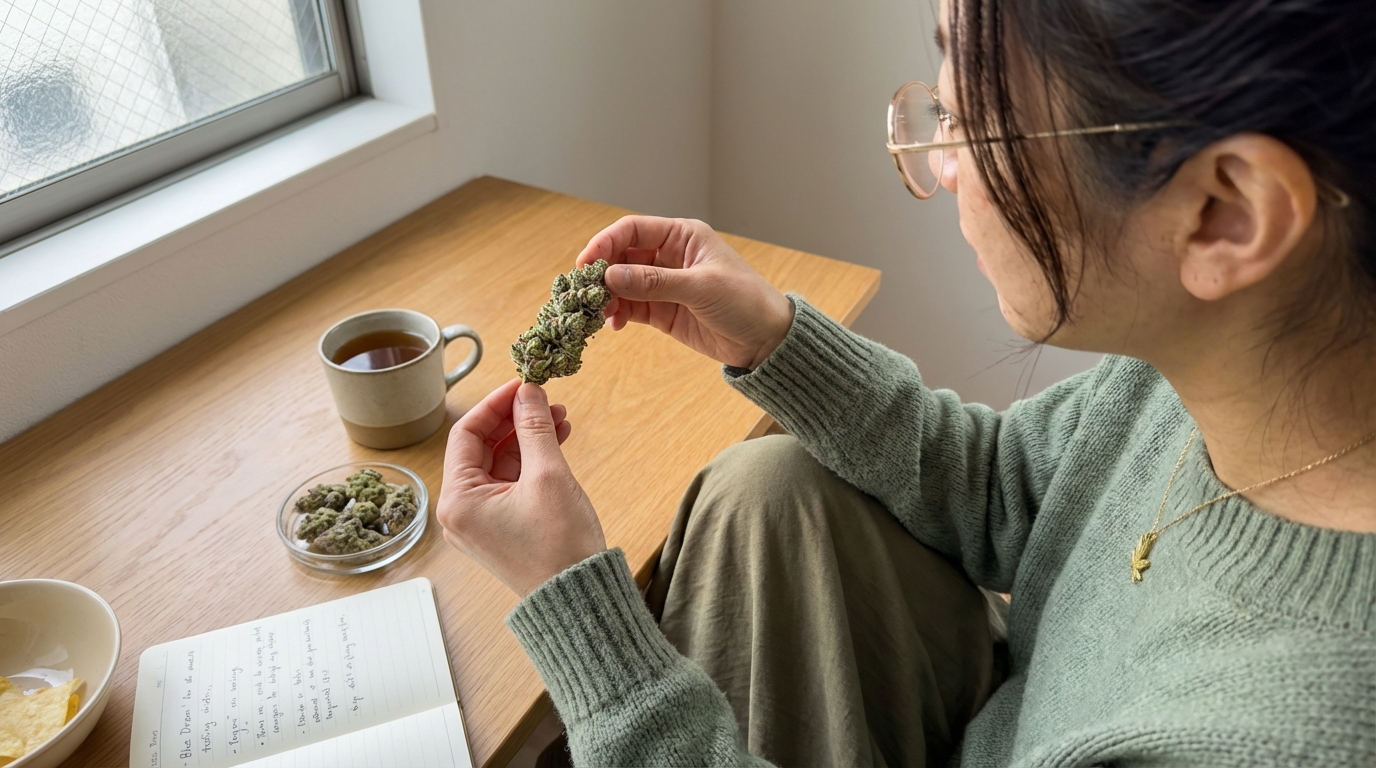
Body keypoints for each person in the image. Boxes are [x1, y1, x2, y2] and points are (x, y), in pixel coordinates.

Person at [436, 0, 1376, 764]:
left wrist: (583, 621)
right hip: (1012, 714)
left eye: (971, 119)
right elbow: (1016, 492)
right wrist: (775, 338)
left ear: (1226, 214)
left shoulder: (1271, 733)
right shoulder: (1214, 380)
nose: (942, 164)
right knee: (770, 489)